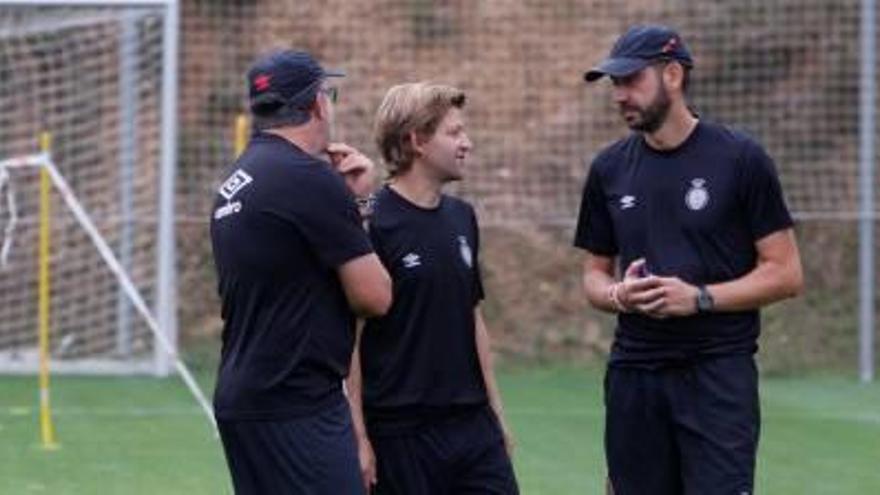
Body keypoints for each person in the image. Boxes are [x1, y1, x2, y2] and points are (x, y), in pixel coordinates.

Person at [575, 25, 804, 495]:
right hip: (634, 375)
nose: (619, 95)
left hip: (716, 375)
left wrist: (698, 298)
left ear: (673, 75)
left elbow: (785, 273)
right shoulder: (608, 169)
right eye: (615, 84)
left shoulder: (741, 158)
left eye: (631, 80)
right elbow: (594, 277)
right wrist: (620, 294)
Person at [209, 49, 392, 494]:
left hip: (248, 396)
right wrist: (361, 203)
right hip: (295, 401)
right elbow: (375, 297)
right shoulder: (308, 178)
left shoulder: (239, 177)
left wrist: (345, 204)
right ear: (317, 104)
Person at [345, 82, 519, 495]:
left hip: (472, 428)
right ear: (416, 140)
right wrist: (359, 438)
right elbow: (349, 338)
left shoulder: (463, 218)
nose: (467, 143)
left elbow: (471, 314)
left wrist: (495, 413)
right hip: (400, 433)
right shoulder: (374, 224)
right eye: (454, 133)